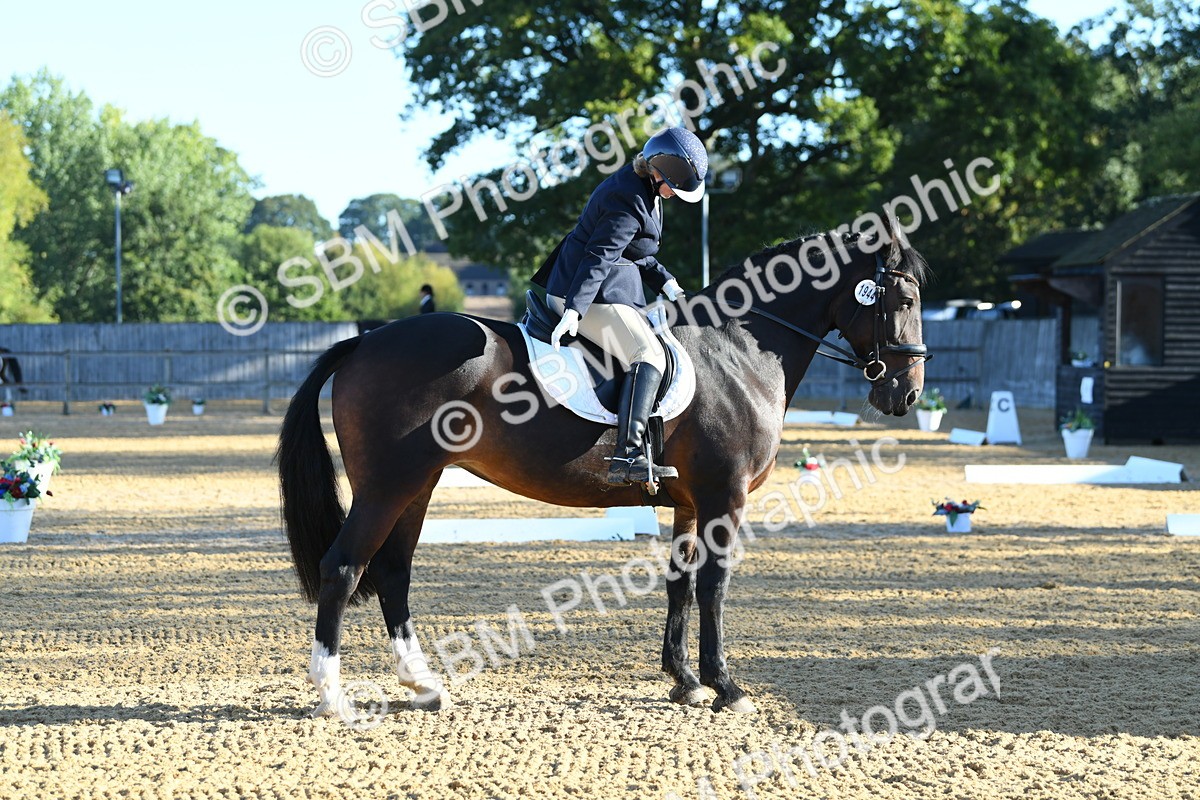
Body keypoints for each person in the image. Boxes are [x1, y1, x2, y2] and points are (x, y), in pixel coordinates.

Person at [531, 126, 707, 485]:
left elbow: (638, 251)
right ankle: (628, 456)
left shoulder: (646, 190)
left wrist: (668, 283)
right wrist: (574, 311)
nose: (675, 195)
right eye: (676, 186)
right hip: (581, 290)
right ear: (660, 171)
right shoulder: (626, 197)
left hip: (606, 287)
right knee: (648, 354)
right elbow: (600, 256)